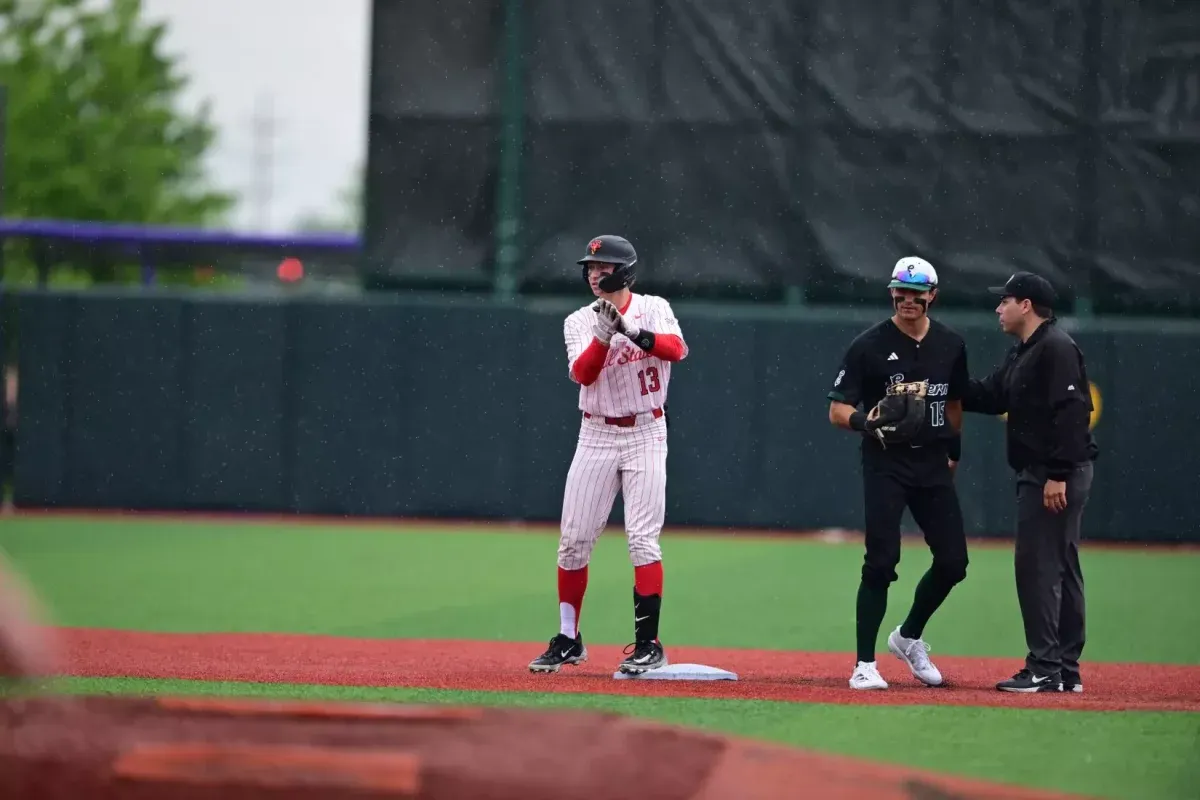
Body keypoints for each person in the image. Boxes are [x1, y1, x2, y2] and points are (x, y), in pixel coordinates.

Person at [528, 235, 688, 676]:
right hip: (596, 432)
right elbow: (583, 374)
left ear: (626, 271)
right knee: (573, 540)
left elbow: (677, 350)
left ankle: (648, 644)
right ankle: (568, 638)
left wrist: (631, 331)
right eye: (591, 268)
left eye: (604, 267)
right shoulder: (579, 321)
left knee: (642, 538)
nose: (595, 274)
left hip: (646, 430)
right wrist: (603, 334)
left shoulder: (653, 307)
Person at [826, 257, 971, 691]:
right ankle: (864, 664)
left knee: (954, 562)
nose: (908, 299)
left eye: (917, 293)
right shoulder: (869, 345)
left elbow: (954, 404)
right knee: (881, 561)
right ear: (891, 293)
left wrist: (953, 452)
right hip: (886, 461)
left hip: (932, 462)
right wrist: (864, 422)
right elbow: (837, 409)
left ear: (932, 296)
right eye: (901, 292)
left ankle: (908, 636)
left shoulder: (951, 344)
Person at [962, 271, 1098, 694]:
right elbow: (992, 395)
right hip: (1049, 472)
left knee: (1037, 568)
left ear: (1026, 305)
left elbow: (1073, 411)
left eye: (1005, 300)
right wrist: (943, 385)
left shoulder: (1055, 347)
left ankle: (1045, 668)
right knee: (1060, 565)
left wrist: (1057, 473)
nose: (998, 308)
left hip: (1053, 474)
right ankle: (1065, 670)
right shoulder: (1027, 349)